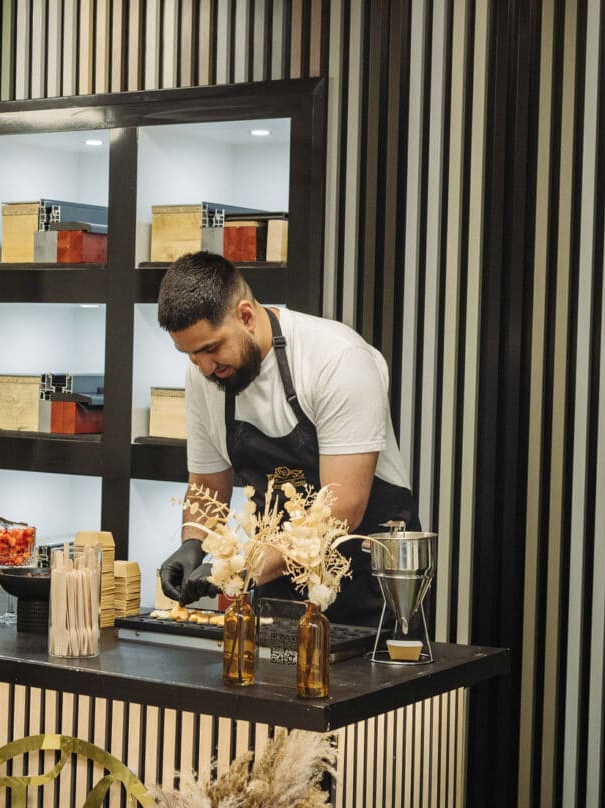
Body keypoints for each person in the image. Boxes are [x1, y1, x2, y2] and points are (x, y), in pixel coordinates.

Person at [155, 252, 420, 627]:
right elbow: (208, 485)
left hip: (367, 585)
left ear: (245, 315)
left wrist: (242, 566)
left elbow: (343, 508)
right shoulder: (205, 375)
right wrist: (194, 543)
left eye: (211, 348)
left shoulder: (337, 360)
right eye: (190, 354)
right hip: (275, 587)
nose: (203, 367)